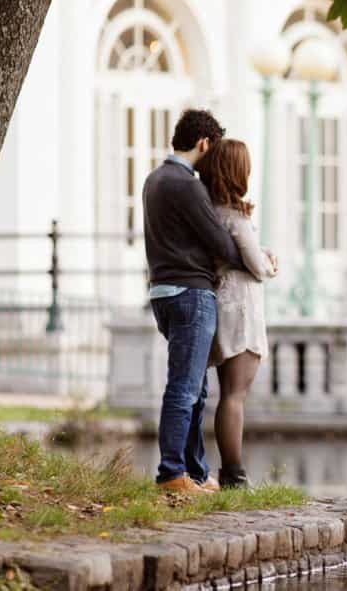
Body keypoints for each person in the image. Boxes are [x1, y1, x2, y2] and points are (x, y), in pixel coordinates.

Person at [143, 109, 244, 494]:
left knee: (195, 389)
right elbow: (221, 244)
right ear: (204, 143)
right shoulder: (186, 185)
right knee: (185, 389)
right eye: (213, 149)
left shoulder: (155, 179)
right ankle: (171, 474)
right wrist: (254, 255)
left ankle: (195, 474)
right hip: (190, 294)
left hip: (163, 292)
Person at [198, 139, 278, 489]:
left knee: (227, 394)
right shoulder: (236, 216)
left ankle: (228, 470)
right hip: (239, 309)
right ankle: (234, 474)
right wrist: (270, 263)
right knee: (234, 395)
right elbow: (256, 266)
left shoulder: (209, 211)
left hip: (221, 304)